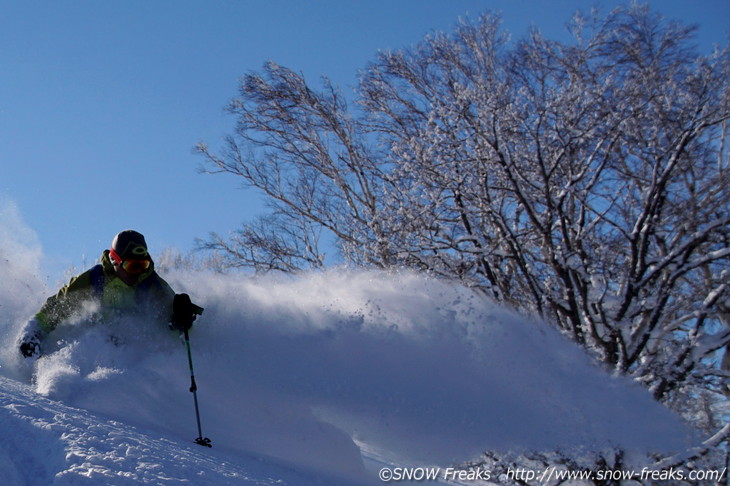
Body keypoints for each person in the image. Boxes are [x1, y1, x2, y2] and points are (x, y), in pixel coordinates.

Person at [18, 230, 201, 358]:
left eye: (142, 265)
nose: (137, 272)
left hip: (134, 359)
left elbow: (177, 338)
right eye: (132, 266)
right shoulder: (94, 280)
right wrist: (34, 335)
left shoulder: (154, 286)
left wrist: (183, 321)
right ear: (115, 261)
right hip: (94, 351)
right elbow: (55, 309)